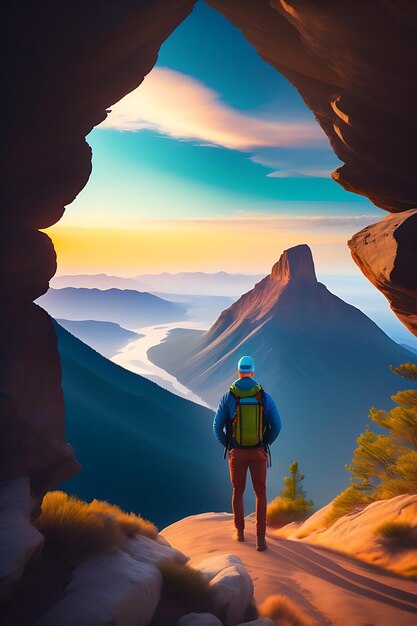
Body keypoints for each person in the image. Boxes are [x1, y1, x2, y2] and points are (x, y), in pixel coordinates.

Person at [213, 356, 281, 551]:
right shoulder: (264, 397)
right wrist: (265, 442)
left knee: (238, 492)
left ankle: (239, 532)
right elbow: (277, 425)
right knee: (260, 494)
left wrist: (229, 445)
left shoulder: (228, 397)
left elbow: (216, 428)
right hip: (259, 452)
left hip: (237, 453)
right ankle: (261, 539)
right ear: (252, 372)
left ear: (238, 372)